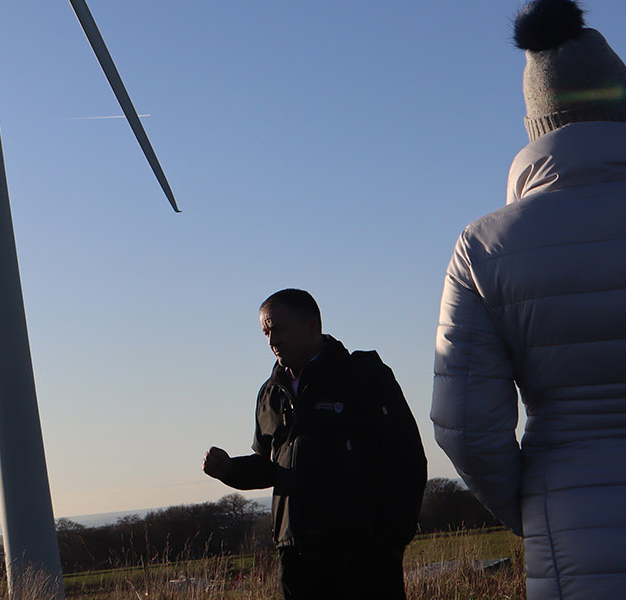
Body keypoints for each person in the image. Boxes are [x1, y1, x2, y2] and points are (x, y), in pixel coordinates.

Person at [432, 1, 626, 597]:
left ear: (537, 125)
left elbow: (466, 428)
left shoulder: (483, 248)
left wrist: (536, 507)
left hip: (570, 540)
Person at [202, 289, 425, 600]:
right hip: (295, 556)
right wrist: (229, 469)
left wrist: (392, 540)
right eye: (265, 331)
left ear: (311, 326)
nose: (271, 340)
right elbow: (272, 467)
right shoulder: (270, 394)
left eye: (277, 328)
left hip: (363, 553)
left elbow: (409, 457)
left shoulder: (363, 375)